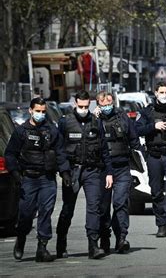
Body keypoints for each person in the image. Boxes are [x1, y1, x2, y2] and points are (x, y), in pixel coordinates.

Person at [5, 98, 70, 262]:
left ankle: (43, 246)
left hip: (47, 178)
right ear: (31, 111)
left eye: (43, 111)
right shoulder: (21, 131)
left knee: (46, 212)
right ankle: (21, 238)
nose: (41, 114)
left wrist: (65, 172)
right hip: (28, 178)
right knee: (26, 215)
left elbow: (61, 153)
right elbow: (10, 154)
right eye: (38, 111)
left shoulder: (52, 131)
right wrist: (15, 173)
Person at [56, 90, 114, 260]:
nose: (83, 109)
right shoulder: (65, 122)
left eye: (86, 106)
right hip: (72, 171)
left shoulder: (96, 122)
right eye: (80, 106)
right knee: (68, 209)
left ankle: (93, 245)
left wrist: (109, 172)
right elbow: (59, 149)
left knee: (94, 208)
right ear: (75, 104)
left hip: (92, 171)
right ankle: (61, 243)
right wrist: (64, 171)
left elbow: (104, 150)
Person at [96, 91, 142, 254]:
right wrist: (94, 119)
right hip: (102, 169)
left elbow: (134, 141)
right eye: (103, 104)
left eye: (109, 103)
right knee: (102, 207)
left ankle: (122, 237)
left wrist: (139, 162)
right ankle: (104, 236)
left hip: (122, 167)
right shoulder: (95, 120)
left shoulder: (123, 118)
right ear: (98, 105)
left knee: (120, 203)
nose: (107, 107)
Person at [135, 82, 166, 238]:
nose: (164, 95)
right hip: (154, 155)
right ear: (155, 93)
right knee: (155, 191)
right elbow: (136, 130)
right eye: (161, 92)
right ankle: (161, 224)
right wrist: (153, 126)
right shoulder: (147, 111)